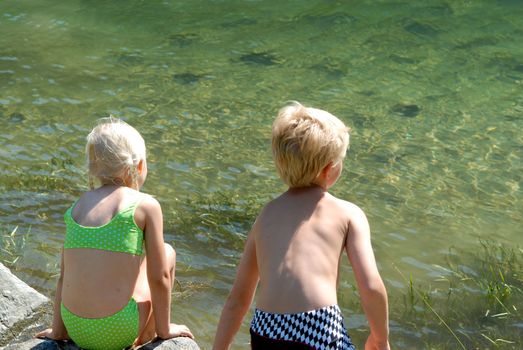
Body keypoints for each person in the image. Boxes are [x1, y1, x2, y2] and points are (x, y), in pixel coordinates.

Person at [212, 102, 390, 350]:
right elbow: (371, 286)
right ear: (329, 169)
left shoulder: (267, 214)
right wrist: (380, 339)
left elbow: (238, 299)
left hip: (265, 330)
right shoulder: (349, 214)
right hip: (316, 327)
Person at [36, 117, 193, 349]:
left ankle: (63, 327)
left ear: (93, 168)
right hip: (116, 331)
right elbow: (160, 277)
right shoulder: (145, 205)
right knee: (166, 253)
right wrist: (167, 329)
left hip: (75, 327)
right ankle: (150, 335)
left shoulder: (78, 207)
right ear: (139, 166)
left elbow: (64, 276)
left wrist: (58, 330)